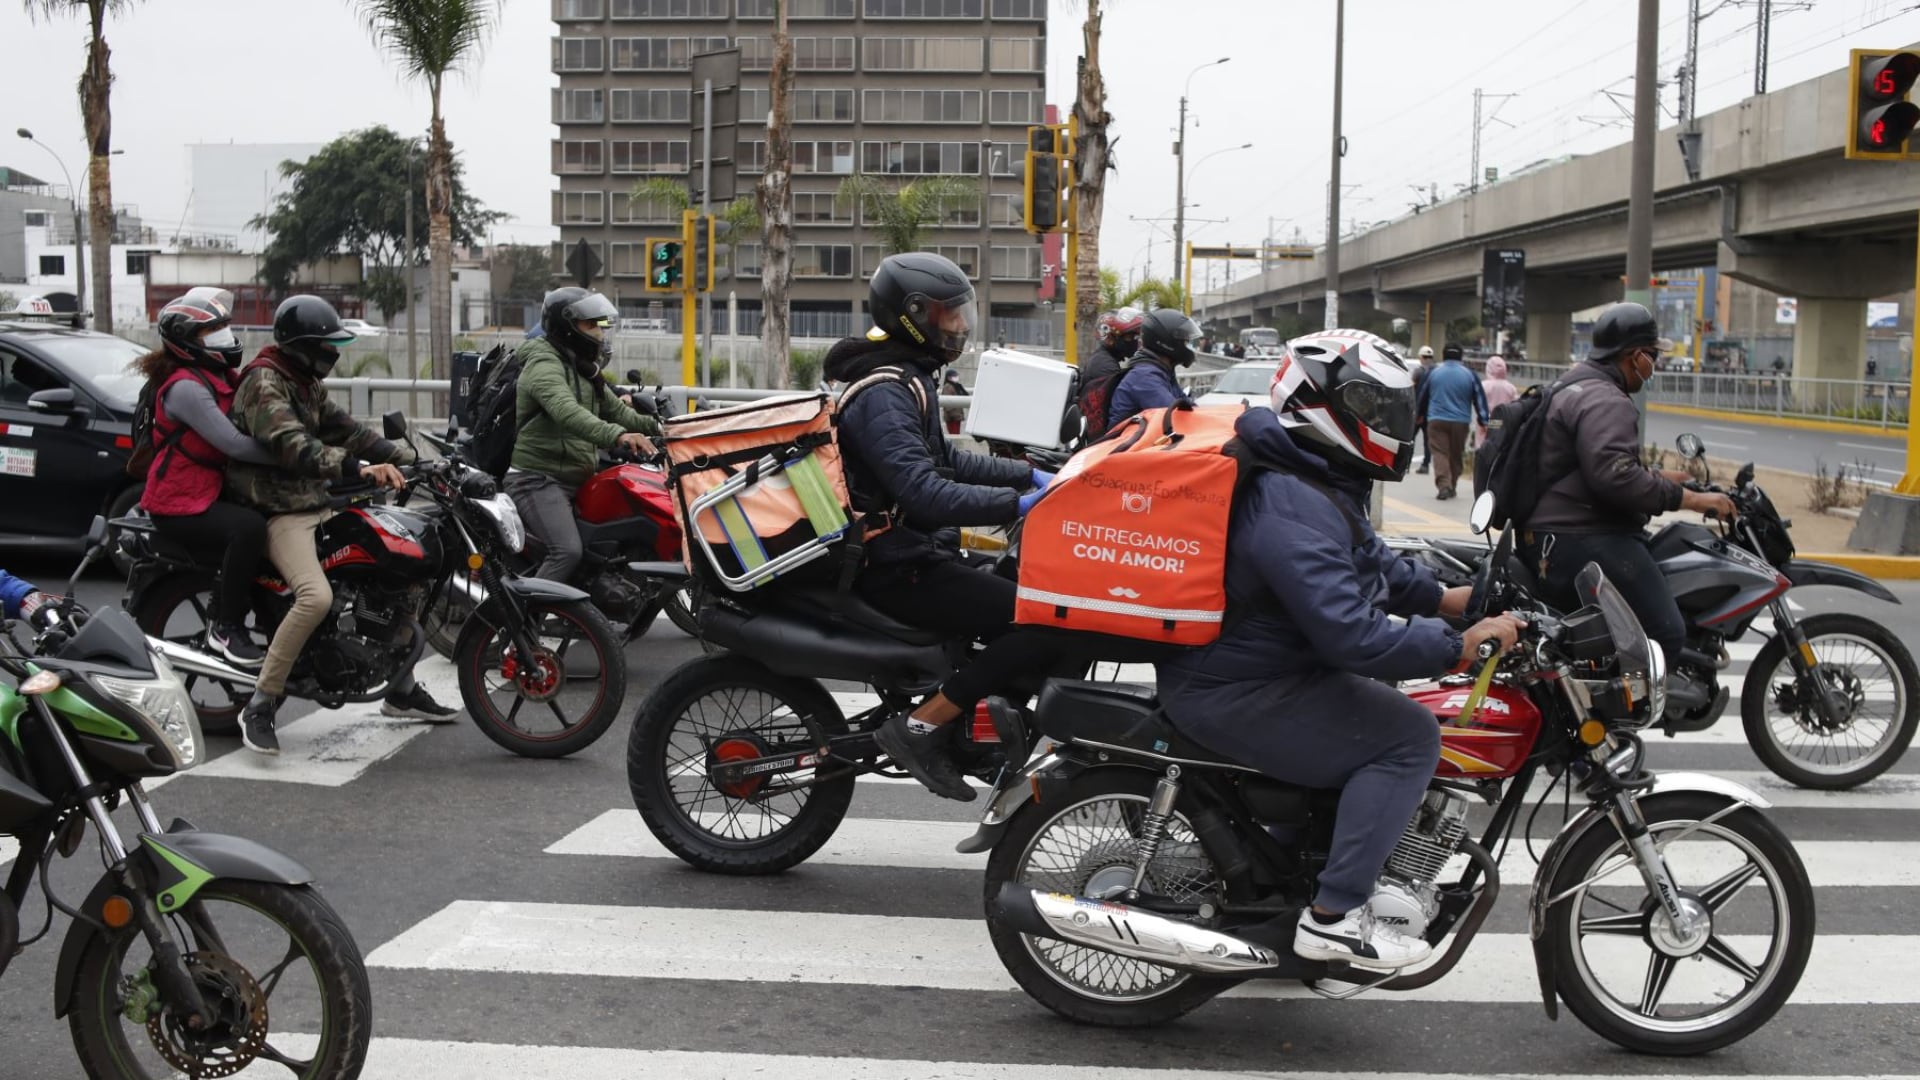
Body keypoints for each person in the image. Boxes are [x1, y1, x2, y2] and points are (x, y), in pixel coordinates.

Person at [1156, 330, 1526, 971]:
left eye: (1391, 409)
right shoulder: (1291, 501)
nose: (1388, 423)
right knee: (1407, 736)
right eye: (1372, 406)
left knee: (1375, 710)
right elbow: (1350, 633)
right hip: (1233, 687)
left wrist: (1450, 599)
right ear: (1321, 404)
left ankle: (1287, 880)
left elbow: (1369, 563)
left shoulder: (1313, 475)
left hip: (1262, 671)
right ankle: (1333, 918)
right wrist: (1455, 647)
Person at [827, 252, 1052, 802]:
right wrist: (1017, 504)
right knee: (1038, 619)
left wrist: (1034, 473)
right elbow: (924, 490)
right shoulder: (883, 392)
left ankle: (976, 725)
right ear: (913, 316)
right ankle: (921, 729)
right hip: (891, 564)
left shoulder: (907, 378)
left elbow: (947, 461)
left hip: (912, 549)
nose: (960, 325)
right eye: (949, 314)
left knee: (1020, 584)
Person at [227, 295, 452, 756]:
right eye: (326, 346)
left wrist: (417, 460)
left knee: (394, 575)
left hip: (318, 500)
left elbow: (350, 431)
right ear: (302, 346)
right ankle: (261, 703)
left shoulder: (305, 382)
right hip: (279, 510)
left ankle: (400, 689)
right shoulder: (264, 383)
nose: (333, 354)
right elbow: (293, 445)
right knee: (316, 597)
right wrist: (360, 468)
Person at [1522, 302, 1736, 676]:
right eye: (1654, 356)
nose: (1654, 365)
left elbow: (1587, 466)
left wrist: (1656, 476)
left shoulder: (1571, 386)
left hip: (1549, 535)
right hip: (1581, 536)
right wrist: (1694, 500)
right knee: (1664, 633)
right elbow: (1615, 476)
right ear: (1636, 356)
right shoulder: (1606, 399)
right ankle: (1626, 708)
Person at [136, 288, 274, 669]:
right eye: (211, 332)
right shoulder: (186, 388)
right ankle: (225, 627)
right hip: (178, 502)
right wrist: (295, 456)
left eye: (224, 328)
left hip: (207, 492)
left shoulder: (220, 375)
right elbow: (234, 444)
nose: (223, 336)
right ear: (187, 343)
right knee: (248, 529)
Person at [505, 288, 662, 585]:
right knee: (566, 552)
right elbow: (567, 412)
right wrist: (619, 436)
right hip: (538, 479)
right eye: (591, 325)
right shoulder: (543, 364)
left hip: (578, 476)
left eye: (600, 326)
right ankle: (528, 613)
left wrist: (667, 427)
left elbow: (619, 411)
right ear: (567, 327)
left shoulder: (581, 367)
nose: (599, 334)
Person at [1415, 344, 1488, 500]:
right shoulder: (1469, 374)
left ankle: (1444, 486)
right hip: (1461, 421)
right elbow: (1479, 398)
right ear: (1461, 357)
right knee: (1456, 454)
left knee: (1440, 453)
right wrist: (1483, 419)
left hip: (1436, 420)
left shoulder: (1433, 373)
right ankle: (1452, 485)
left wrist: (1419, 414)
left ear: (1443, 356)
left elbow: (1423, 395)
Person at [1107, 308, 1203, 425]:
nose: (1188, 347)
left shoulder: (1164, 371)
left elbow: (1187, 406)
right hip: (1127, 436)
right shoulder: (1144, 377)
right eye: (1185, 342)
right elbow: (1176, 416)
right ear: (1167, 341)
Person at [1073, 307, 1144, 443]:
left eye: (1136, 337)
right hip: (1100, 442)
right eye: (1129, 337)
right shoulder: (1104, 366)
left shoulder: (1104, 359)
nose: (1134, 341)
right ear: (1111, 338)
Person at [1476, 355, 1519, 448]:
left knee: (1484, 449)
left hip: (1487, 423)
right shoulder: (1511, 387)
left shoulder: (1483, 386)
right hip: (1504, 423)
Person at [1411, 346, 1435, 474]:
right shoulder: (1436, 371)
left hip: (1418, 409)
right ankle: (1425, 464)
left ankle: (1406, 464)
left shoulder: (1418, 372)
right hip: (1431, 411)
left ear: (1421, 357)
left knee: (1411, 438)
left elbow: (1412, 387)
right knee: (1428, 440)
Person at [940, 369, 968, 435]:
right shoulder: (948, 387)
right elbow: (947, 403)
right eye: (954, 376)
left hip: (956, 416)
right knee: (954, 434)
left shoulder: (956, 386)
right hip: (952, 417)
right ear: (948, 377)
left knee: (956, 434)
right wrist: (953, 415)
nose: (956, 377)